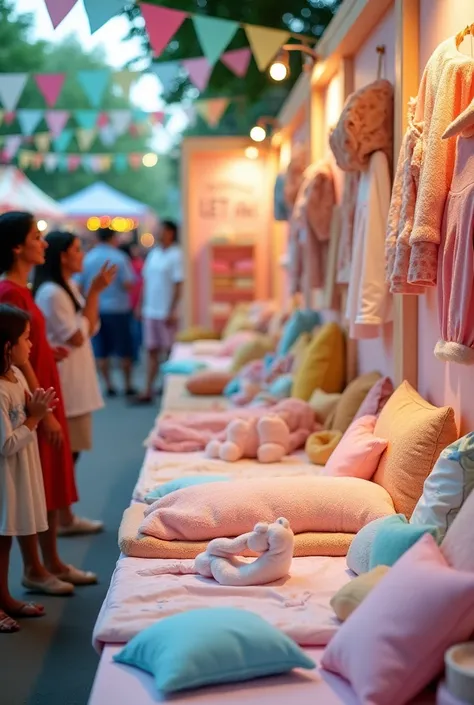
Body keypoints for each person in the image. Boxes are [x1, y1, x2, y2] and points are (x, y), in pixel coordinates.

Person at [0, 211, 96, 594]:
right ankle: (38, 566)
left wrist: (45, 354)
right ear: (17, 247)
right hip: (31, 396)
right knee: (34, 483)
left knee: (44, 481)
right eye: (35, 238)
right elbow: (14, 357)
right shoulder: (11, 291)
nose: (44, 244)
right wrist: (44, 411)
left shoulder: (22, 289)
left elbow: (26, 348)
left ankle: (47, 562)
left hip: (39, 387)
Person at [34, 231, 116, 536]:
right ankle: (60, 518)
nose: (82, 255)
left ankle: (64, 515)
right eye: (77, 249)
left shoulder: (65, 286)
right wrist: (94, 293)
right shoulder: (52, 292)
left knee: (72, 453)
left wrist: (91, 296)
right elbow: (77, 335)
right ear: (62, 256)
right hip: (63, 382)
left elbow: (90, 326)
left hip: (74, 378)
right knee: (64, 455)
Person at [0, 305, 56, 632]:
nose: (31, 345)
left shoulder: (17, 374)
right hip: (5, 471)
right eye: (26, 339)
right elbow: (5, 444)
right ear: (7, 346)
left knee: (5, 538)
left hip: (19, 470)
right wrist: (34, 418)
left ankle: (4, 596)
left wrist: (37, 410)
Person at [77, 227, 136, 397]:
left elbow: (80, 286)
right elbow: (128, 284)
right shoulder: (119, 257)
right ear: (113, 238)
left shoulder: (88, 258)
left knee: (101, 349)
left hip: (95, 310)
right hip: (118, 309)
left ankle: (109, 385)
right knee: (125, 349)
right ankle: (127, 384)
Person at [133, 221, 183, 404]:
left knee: (168, 351)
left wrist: (172, 309)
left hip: (165, 311)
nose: (159, 233)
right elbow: (145, 282)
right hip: (150, 310)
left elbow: (179, 284)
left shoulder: (176, 255)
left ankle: (167, 388)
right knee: (151, 350)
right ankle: (149, 388)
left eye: (162, 230)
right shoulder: (153, 254)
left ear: (170, 232)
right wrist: (140, 305)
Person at [119, 242, 144, 364]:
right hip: (132, 303)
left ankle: (133, 355)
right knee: (134, 333)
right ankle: (134, 355)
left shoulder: (132, 265)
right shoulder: (137, 264)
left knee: (132, 333)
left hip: (128, 304)